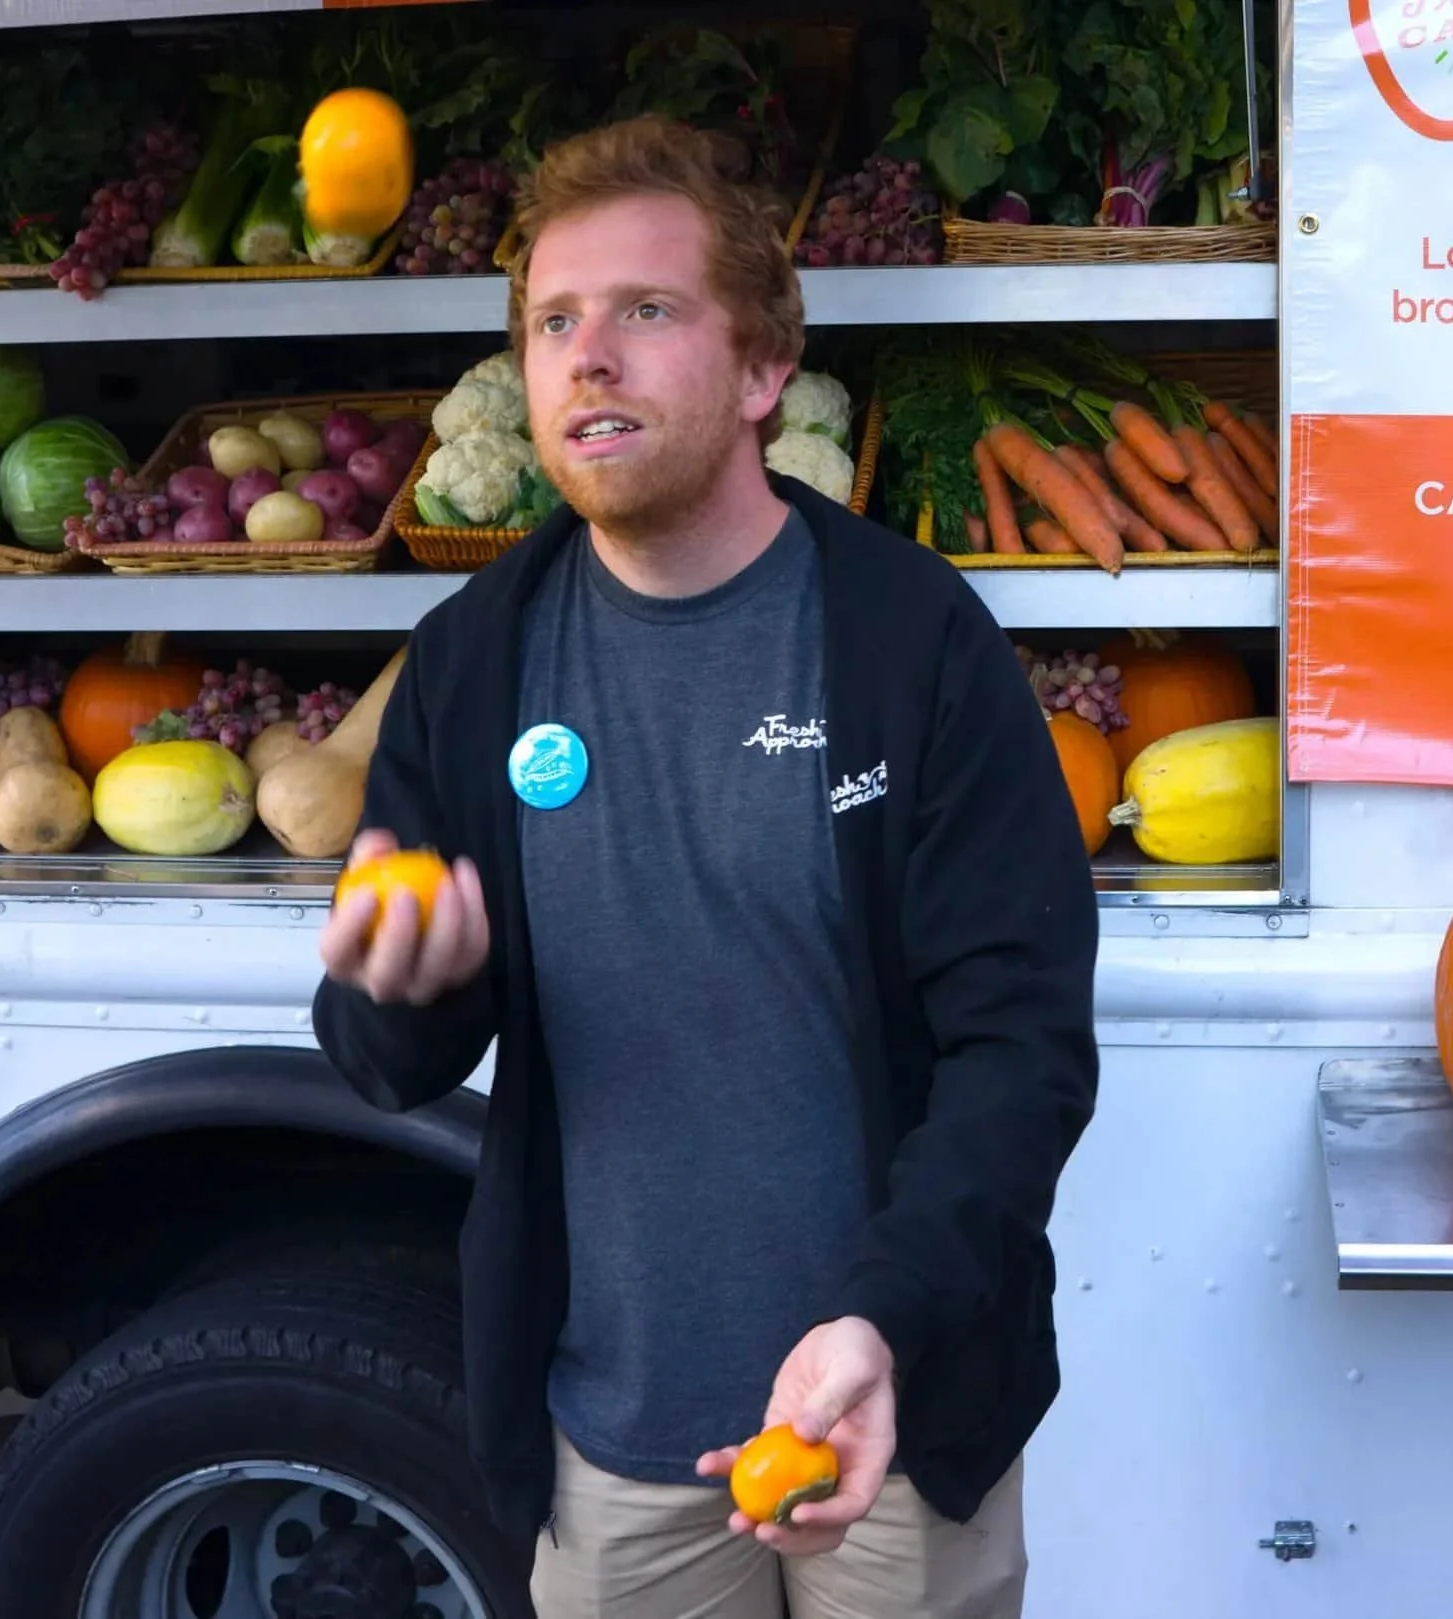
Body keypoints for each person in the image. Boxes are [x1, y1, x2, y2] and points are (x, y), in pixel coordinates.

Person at [311, 114, 1100, 1618]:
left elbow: (1024, 1052)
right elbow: (388, 1060)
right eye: (554, 321)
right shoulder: (472, 664)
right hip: (613, 1448)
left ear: (761, 374)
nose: (588, 355)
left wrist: (883, 1317)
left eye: (645, 311)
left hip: (900, 1410)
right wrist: (406, 987)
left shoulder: (913, 642)